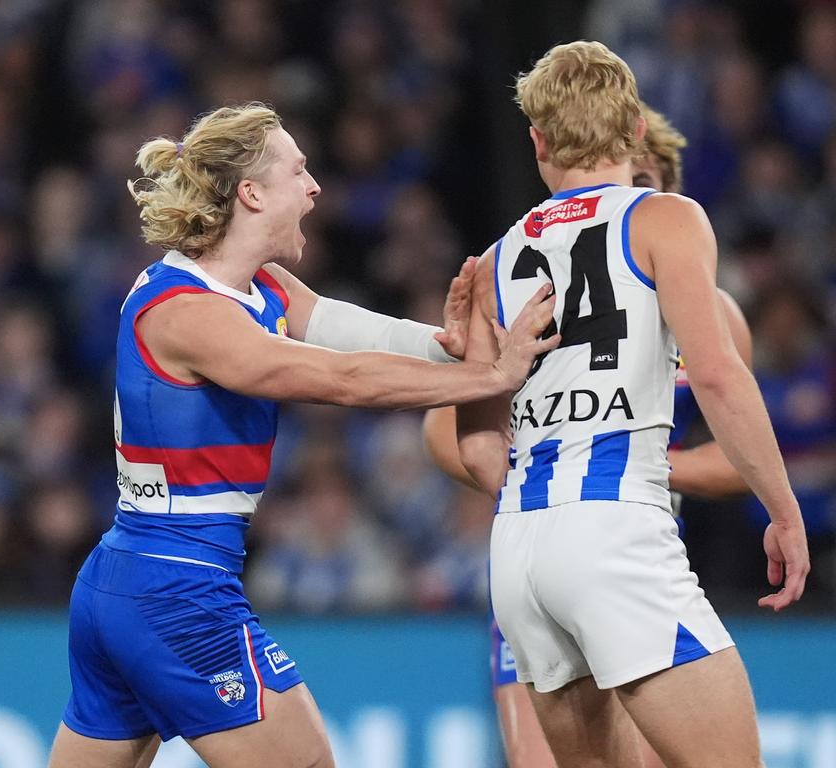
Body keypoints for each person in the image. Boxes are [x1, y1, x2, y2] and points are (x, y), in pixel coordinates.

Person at [46, 102, 560, 768]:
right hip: (178, 588)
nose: (315, 187)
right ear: (252, 193)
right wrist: (488, 378)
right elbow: (339, 380)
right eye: (299, 171)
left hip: (126, 579)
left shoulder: (262, 288)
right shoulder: (186, 313)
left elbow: (358, 333)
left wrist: (451, 348)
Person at [453, 42, 808, 768]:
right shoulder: (666, 219)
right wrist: (784, 509)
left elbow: (473, 439)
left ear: (539, 140)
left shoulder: (495, 259)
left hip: (517, 548)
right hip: (615, 530)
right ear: (637, 130)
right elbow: (715, 375)